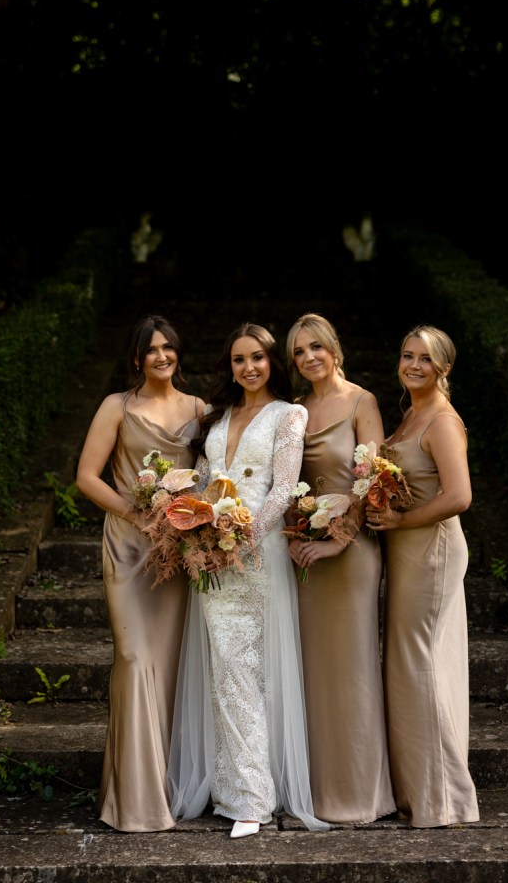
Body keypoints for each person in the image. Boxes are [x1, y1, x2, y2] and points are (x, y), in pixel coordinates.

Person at [167, 323, 328, 837]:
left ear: (271, 361)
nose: (249, 368)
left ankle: (254, 800)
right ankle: (232, 789)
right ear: (229, 367)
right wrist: (175, 500)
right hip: (213, 553)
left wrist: (238, 541)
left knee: (250, 671)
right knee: (225, 668)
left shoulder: (289, 414)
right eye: (238, 360)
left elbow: (282, 490)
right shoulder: (219, 416)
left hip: (256, 554)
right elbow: (207, 477)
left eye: (257, 357)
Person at [75, 314, 206, 832]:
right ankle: (132, 800)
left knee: (171, 667)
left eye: (169, 348)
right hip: (129, 548)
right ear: (136, 358)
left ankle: (167, 788)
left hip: (177, 552)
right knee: (134, 659)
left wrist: (191, 520)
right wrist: (139, 514)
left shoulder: (199, 409)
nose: (161, 357)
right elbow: (86, 476)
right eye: (151, 350)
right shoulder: (117, 406)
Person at [365, 324, 480, 828]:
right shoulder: (411, 412)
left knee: (421, 662)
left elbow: (459, 496)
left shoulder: (442, 420)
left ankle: (444, 798)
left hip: (430, 549)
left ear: (444, 368)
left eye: (425, 359)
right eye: (407, 355)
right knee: (410, 663)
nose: (413, 365)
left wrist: (400, 520)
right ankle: (418, 791)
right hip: (407, 548)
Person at [284, 312, 396, 824]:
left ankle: (360, 794)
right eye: (299, 352)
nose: (309, 358)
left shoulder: (361, 401)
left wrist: (339, 542)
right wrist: (294, 534)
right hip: (306, 552)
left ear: (335, 348)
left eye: (315, 348)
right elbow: (285, 483)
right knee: (311, 671)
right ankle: (315, 793)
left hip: (350, 555)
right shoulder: (295, 411)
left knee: (351, 669)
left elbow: (371, 477)